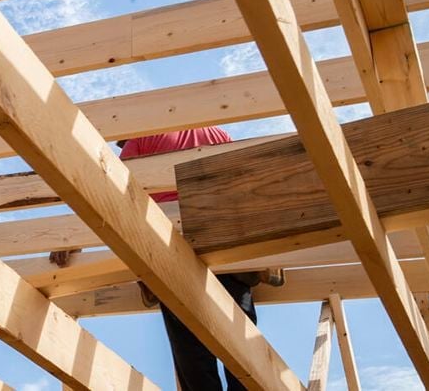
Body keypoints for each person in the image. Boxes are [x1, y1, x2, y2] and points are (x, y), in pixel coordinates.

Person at [49, 128, 283, 391]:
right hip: (223, 238)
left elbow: (108, 185)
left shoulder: (141, 139)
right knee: (240, 336)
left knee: (189, 347)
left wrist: (72, 239)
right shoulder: (217, 132)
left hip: (171, 245)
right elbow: (244, 179)